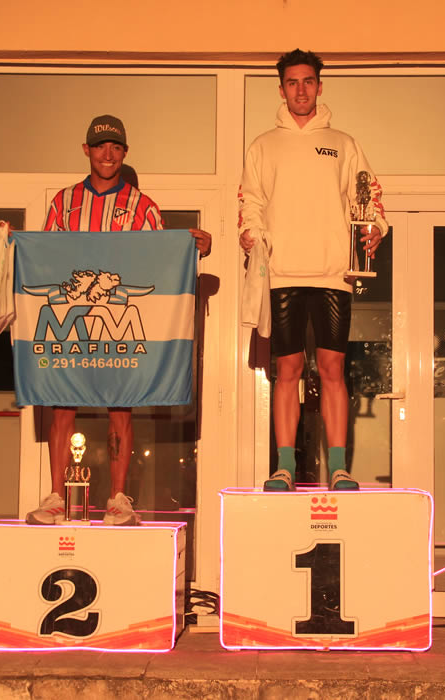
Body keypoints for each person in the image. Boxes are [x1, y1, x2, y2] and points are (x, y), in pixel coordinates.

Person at [25, 114, 213, 525]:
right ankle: (56, 497)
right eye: (100, 146)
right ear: (86, 150)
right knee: (62, 403)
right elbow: (44, 256)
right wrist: (14, 247)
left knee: (121, 406)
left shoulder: (143, 206)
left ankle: (118, 499)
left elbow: (160, 261)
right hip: (73, 319)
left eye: (115, 147)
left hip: (119, 319)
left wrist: (196, 247)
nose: (107, 154)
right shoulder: (64, 202)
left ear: (125, 152)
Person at [239, 48, 386, 492]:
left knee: (332, 368)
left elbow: (367, 197)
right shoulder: (263, 145)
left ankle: (338, 468)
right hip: (282, 272)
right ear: (281, 89)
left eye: (308, 81)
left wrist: (376, 228)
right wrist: (249, 232)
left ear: (320, 87)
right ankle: (284, 466)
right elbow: (252, 201)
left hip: (332, 273)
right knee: (287, 371)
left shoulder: (344, 143)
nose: (300, 90)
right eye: (292, 82)